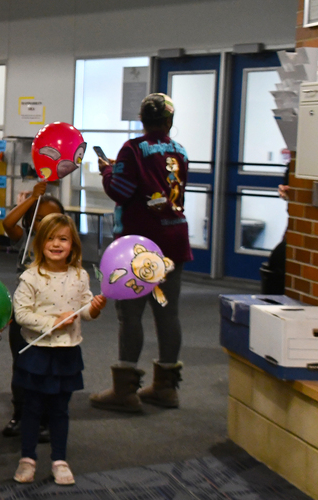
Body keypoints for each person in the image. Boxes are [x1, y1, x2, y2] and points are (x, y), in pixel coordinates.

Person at [91, 93, 191, 412]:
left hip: (140, 243)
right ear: (169, 121)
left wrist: (107, 171)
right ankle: (165, 388)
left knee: (130, 314)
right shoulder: (181, 150)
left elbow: (121, 191)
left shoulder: (133, 149)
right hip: (174, 238)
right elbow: (162, 193)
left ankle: (125, 391)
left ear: (143, 120)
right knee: (168, 312)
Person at [12, 213, 106, 485]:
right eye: (50, 238)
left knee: (60, 409)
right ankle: (27, 458)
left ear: (72, 244)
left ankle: (59, 460)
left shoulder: (80, 275)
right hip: (37, 352)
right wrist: (53, 322)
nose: (56, 244)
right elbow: (21, 314)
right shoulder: (31, 277)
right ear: (40, 243)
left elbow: (85, 311)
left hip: (67, 352)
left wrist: (95, 308)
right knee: (32, 407)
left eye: (63, 239)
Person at [0, 183, 65, 437]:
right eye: (38, 219)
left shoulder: (64, 246)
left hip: (51, 318)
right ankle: (20, 414)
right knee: (22, 365)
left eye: (50, 219)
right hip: (22, 316)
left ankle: (46, 419)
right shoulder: (26, 240)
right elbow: (8, 223)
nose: (43, 223)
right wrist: (32, 199)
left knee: (49, 368)